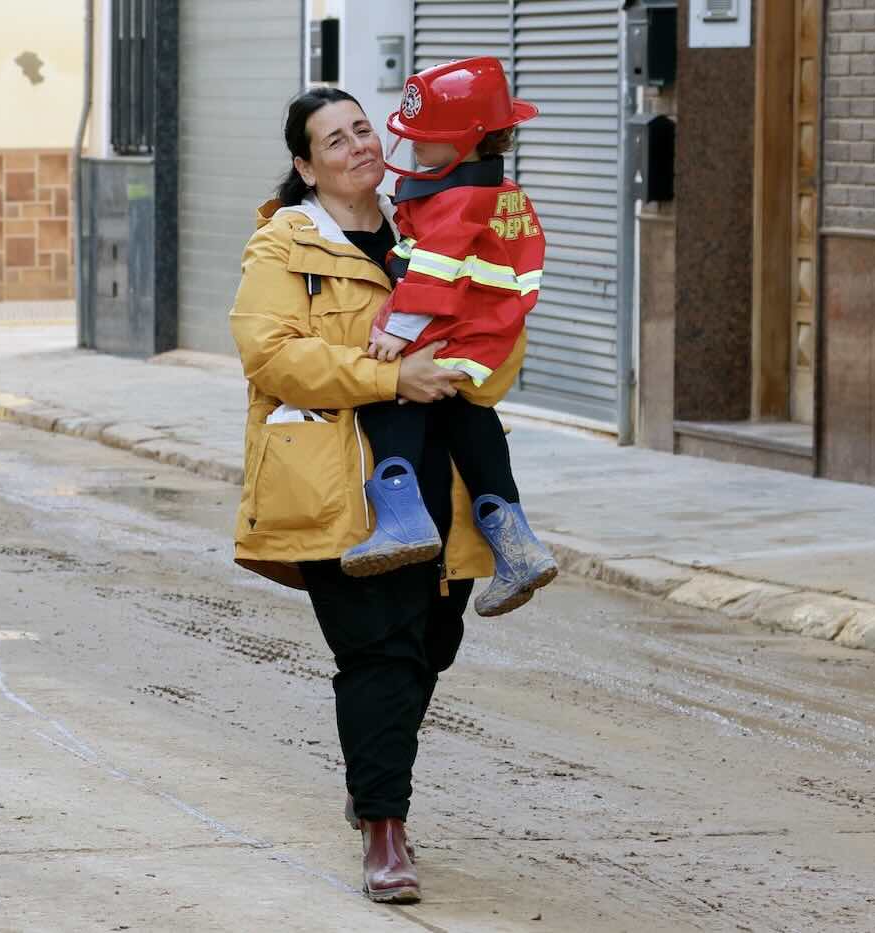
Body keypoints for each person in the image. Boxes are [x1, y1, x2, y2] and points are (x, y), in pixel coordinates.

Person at [228, 87, 528, 904]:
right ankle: (385, 831)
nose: (359, 145)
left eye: (364, 128)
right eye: (335, 139)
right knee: (379, 652)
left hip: (444, 486)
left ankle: (371, 788)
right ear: (305, 165)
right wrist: (392, 375)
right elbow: (272, 356)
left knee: (432, 644)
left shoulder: (433, 223)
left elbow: (494, 338)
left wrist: (478, 365)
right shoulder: (282, 247)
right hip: (339, 483)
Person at [341, 57, 558, 620]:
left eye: (425, 138)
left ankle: (401, 520)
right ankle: (516, 544)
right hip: (489, 331)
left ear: (467, 142)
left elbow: (435, 272)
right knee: (467, 415)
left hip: (450, 326)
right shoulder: (502, 193)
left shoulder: (457, 201)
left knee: (393, 392)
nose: (412, 145)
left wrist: (396, 331)